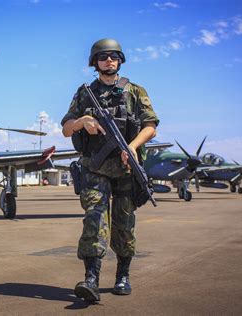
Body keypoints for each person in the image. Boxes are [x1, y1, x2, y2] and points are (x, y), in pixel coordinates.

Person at [61, 38, 159, 302]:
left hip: (127, 168)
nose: (109, 61)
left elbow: (151, 126)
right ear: (95, 62)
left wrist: (133, 146)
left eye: (114, 56)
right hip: (95, 168)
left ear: (120, 60)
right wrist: (83, 120)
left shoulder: (135, 91)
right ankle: (91, 279)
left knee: (124, 223)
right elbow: (66, 128)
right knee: (95, 218)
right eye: (103, 57)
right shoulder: (84, 93)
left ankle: (122, 276)